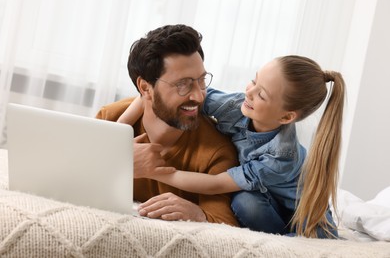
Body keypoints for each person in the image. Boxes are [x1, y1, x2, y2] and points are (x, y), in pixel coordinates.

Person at [120, 55, 345, 239]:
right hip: (269, 199)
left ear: (286, 116)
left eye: (261, 94)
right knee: (247, 198)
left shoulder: (280, 157)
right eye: (254, 81)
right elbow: (158, 95)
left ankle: (284, 242)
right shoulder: (235, 105)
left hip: (304, 218)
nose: (249, 92)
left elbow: (215, 184)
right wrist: (119, 132)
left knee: (245, 202)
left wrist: (157, 171)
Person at [96, 24, 239, 226]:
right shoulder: (111, 118)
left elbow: (228, 226)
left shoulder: (216, 151)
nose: (199, 95)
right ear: (145, 88)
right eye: (183, 84)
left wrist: (199, 214)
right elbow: (70, 180)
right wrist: (118, 161)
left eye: (201, 80)